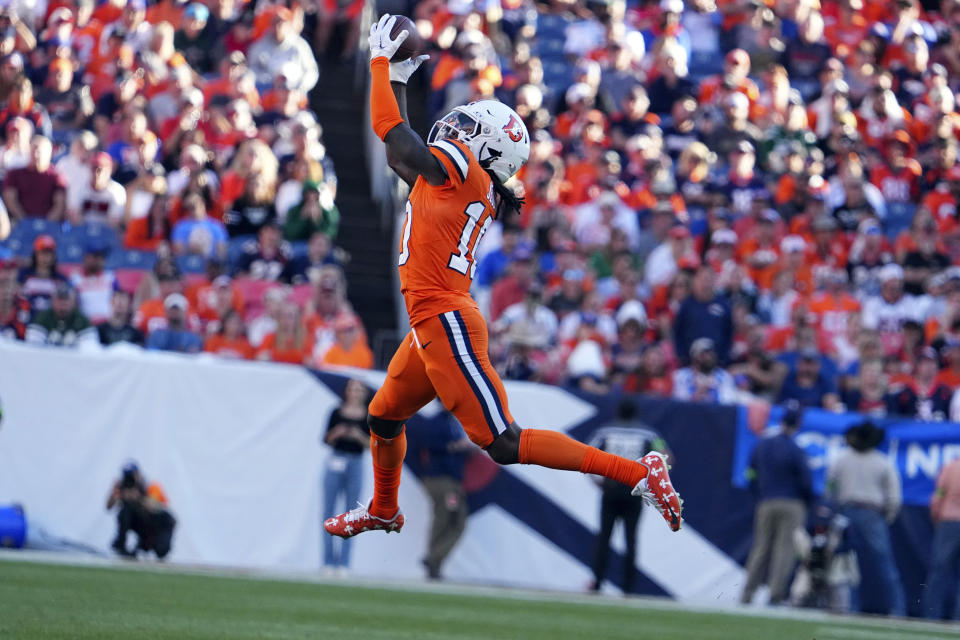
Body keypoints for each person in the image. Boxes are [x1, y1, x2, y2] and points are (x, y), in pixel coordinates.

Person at [324, 16, 682, 543]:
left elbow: (394, 137)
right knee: (382, 415)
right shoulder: (459, 180)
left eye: (470, 129)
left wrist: (381, 63)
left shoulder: (461, 170)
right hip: (432, 319)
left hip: (445, 319)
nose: (457, 128)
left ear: (485, 147)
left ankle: (637, 471)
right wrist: (398, 76)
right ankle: (382, 507)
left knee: (505, 443)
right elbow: (397, 150)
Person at [587, 401, 668, 594]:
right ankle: (628, 587)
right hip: (634, 490)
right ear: (636, 413)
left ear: (617, 411)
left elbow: (588, 453)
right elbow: (666, 455)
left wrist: (596, 481)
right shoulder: (647, 433)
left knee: (604, 537)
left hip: (611, 488)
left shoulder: (606, 431)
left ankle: (598, 583)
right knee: (630, 539)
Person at [827, 421, 905, 616]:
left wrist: (834, 508)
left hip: (846, 513)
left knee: (847, 563)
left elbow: (829, 487)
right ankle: (897, 609)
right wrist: (887, 517)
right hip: (872, 513)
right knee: (884, 564)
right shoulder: (882, 461)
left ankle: (849, 607)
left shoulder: (841, 458)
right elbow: (894, 497)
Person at [740, 402, 814, 606]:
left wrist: (758, 495)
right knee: (785, 550)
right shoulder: (796, 449)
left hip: (766, 501)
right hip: (792, 503)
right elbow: (806, 482)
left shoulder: (762, 445)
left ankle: (747, 594)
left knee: (761, 549)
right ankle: (776, 595)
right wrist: (808, 502)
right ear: (797, 424)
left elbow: (751, 474)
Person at [417, 412, 476, 581]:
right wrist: (457, 446)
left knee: (453, 520)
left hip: (452, 481)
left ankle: (434, 561)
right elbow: (431, 445)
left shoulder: (453, 422)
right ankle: (433, 559)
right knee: (446, 519)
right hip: (443, 480)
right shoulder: (437, 422)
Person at [322, 379, 370, 572]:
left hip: (356, 462)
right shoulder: (336, 412)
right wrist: (338, 432)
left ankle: (343, 563)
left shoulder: (369, 416)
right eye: (352, 388)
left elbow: (372, 445)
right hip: (336, 459)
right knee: (329, 512)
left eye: (359, 389)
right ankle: (328, 561)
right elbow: (325, 439)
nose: (355, 392)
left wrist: (358, 436)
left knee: (352, 515)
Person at [106, 461, 176, 559]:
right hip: (140, 524)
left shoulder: (151, 487)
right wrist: (115, 493)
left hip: (158, 524)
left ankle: (146, 545)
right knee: (125, 511)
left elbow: (156, 507)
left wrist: (139, 497)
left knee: (161, 551)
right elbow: (108, 507)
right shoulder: (122, 488)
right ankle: (120, 544)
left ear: (138, 474)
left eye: (132, 475)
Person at [923, 457, 960, 620]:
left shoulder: (951, 468)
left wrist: (936, 515)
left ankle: (932, 615)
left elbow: (939, 494)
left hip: (949, 522)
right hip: (949, 521)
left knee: (939, 570)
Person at [25, 283, 98, 348]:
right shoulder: (42, 318)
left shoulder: (82, 320)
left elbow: (90, 349)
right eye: (60, 300)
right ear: (52, 301)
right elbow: (32, 346)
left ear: (73, 302)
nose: (63, 304)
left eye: (66, 300)